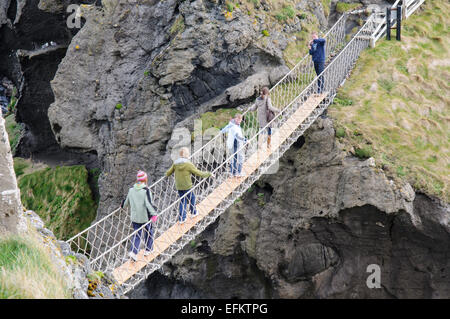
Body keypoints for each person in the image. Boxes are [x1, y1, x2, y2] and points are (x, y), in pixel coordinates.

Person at [166, 147, 212, 224]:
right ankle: (193, 212)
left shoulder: (175, 163)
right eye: (188, 153)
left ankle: (182, 219)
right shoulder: (188, 164)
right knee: (192, 198)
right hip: (187, 186)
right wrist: (209, 174)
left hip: (179, 186)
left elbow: (168, 173)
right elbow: (199, 173)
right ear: (186, 155)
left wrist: (165, 175)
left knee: (182, 201)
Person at [122, 170, 158, 262]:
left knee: (137, 235)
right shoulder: (146, 190)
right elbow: (149, 204)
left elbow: (125, 203)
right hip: (145, 217)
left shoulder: (131, 190)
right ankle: (148, 250)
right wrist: (154, 214)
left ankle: (133, 252)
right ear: (145, 180)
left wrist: (122, 205)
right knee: (149, 232)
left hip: (135, 218)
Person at [221, 113, 246, 177]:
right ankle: (238, 173)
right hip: (236, 142)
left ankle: (233, 173)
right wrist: (245, 140)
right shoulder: (234, 125)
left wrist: (221, 130)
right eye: (238, 119)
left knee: (234, 157)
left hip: (232, 142)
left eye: (240, 119)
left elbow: (226, 128)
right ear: (235, 118)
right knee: (240, 157)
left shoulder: (232, 123)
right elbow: (237, 136)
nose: (239, 121)